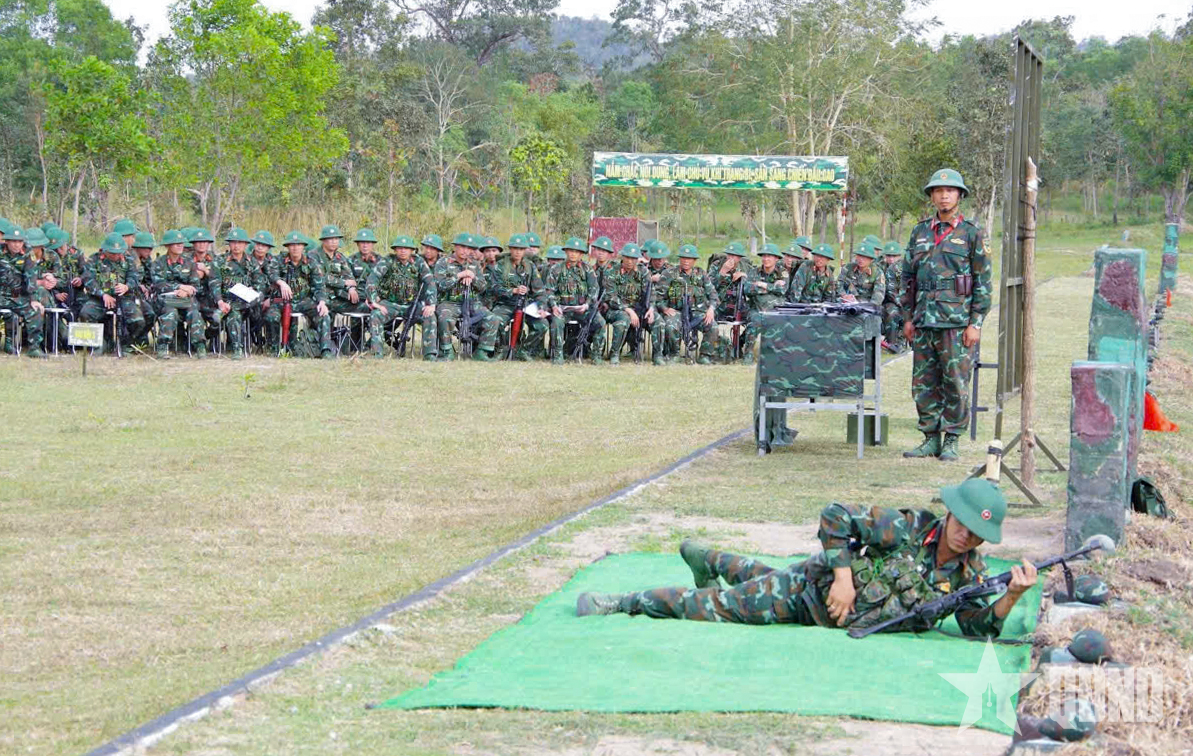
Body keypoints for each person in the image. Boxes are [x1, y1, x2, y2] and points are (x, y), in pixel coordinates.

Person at [575, 479, 1037, 639]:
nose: (964, 536)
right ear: (951, 512)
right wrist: (843, 580)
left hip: (819, 602)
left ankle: (708, 557)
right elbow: (835, 515)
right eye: (961, 523)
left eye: (976, 533)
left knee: (758, 578)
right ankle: (623, 601)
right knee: (718, 607)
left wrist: (1011, 597)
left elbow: (975, 626)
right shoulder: (904, 527)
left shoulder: (970, 574)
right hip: (808, 593)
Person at [901, 169, 992, 462]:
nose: (944, 195)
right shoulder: (920, 232)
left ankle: (952, 439)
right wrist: (907, 318)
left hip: (956, 323)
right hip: (925, 320)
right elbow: (907, 277)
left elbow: (983, 282)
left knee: (955, 382)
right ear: (931, 196)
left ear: (959, 196)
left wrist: (975, 323)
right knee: (923, 383)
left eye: (950, 191)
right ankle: (930, 438)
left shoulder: (971, 234)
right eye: (938, 191)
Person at [367, 235, 438, 359]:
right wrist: (374, 301)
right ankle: (377, 353)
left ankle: (430, 354)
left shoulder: (419, 262)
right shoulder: (388, 260)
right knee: (376, 315)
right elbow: (373, 279)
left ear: (412, 250)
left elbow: (430, 282)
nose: (403, 251)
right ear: (395, 250)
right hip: (390, 303)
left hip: (412, 305)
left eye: (406, 248)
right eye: (399, 248)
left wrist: (431, 304)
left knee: (430, 315)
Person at [265, 231, 332, 357]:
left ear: (303, 247)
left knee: (324, 315)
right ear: (287, 247)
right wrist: (281, 283)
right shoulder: (279, 260)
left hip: (303, 300)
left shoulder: (311, 262)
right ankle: (274, 348)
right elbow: (271, 272)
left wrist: (322, 302)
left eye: (298, 245)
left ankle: (325, 350)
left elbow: (319, 285)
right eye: (291, 245)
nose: (295, 248)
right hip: (281, 300)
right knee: (271, 317)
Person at [433, 233, 499, 361]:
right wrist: (459, 275)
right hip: (449, 302)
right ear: (455, 247)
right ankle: (447, 351)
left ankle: (482, 352)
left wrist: (473, 277)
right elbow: (440, 285)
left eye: (469, 248)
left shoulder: (474, 264)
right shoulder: (443, 262)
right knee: (444, 317)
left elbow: (483, 287)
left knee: (493, 319)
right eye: (462, 247)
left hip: (472, 302)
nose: (465, 251)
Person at [80, 232, 146, 354]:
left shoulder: (129, 261)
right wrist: (102, 294)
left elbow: (135, 278)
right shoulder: (94, 260)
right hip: (99, 299)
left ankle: (126, 344)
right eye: (112, 253)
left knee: (138, 320)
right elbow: (88, 280)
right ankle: (99, 344)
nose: (116, 256)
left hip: (124, 298)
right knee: (85, 313)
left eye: (118, 253)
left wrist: (126, 286)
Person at [654, 243, 718, 364]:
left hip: (698, 312)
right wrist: (664, 308)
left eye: (689, 258)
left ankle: (705, 355)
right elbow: (657, 296)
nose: (686, 261)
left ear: (694, 260)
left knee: (713, 326)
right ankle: (674, 353)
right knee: (670, 325)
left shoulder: (701, 274)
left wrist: (711, 309)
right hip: (676, 311)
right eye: (683, 258)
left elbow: (713, 295)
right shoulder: (669, 274)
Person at [487, 233, 547, 361]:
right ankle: (501, 349)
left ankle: (523, 350)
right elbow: (494, 288)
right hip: (505, 304)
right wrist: (513, 290)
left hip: (525, 305)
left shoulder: (530, 266)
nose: (518, 252)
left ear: (525, 250)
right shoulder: (500, 265)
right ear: (510, 249)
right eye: (515, 248)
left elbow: (540, 290)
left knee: (542, 325)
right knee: (495, 320)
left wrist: (541, 307)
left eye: (521, 249)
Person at [545, 238, 603, 364]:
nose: (573, 254)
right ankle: (558, 355)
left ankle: (596, 355)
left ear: (581, 254)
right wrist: (554, 306)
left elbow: (594, 290)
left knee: (600, 323)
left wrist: (587, 304)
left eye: (576, 252)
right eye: (570, 251)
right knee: (556, 323)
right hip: (562, 308)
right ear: (566, 252)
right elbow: (549, 290)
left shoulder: (587, 269)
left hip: (582, 309)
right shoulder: (556, 269)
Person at [151, 229, 206, 358]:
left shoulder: (189, 263)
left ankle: (199, 345)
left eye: (181, 243)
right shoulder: (158, 263)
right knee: (171, 312)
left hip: (185, 299)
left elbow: (196, 285)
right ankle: (163, 346)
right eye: (176, 243)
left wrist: (186, 292)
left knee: (194, 311)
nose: (180, 246)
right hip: (165, 300)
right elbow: (159, 285)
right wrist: (179, 287)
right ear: (168, 246)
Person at [602, 243, 654, 365]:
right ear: (622, 257)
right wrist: (629, 311)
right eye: (628, 257)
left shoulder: (644, 272)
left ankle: (659, 355)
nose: (630, 261)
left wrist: (651, 309)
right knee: (623, 319)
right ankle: (615, 353)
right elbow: (611, 297)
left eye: (633, 258)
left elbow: (651, 293)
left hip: (639, 309)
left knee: (658, 320)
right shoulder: (612, 272)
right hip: (615, 310)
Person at [215, 228, 262, 359]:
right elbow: (214, 283)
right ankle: (237, 349)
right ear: (229, 244)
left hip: (248, 304)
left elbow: (260, 283)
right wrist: (220, 301)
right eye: (233, 242)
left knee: (256, 304)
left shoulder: (252, 262)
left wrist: (254, 289)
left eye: (240, 243)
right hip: (226, 303)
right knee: (233, 314)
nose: (236, 246)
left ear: (246, 245)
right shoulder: (220, 261)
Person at [740, 243, 787, 361]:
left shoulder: (783, 273)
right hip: (756, 309)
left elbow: (782, 290)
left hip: (776, 311)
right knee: (755, 321)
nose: (766, 259)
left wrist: (762, 285)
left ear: (776, 258)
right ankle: (748, 354)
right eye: (764, 256)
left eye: (769, 256)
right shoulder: (754, 272)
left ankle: (776, 355)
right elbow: (747, 289)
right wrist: (771, 288)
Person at [709, 242, 751, 363]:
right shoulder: (716, 265)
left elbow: (754, 283)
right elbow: (709, 286)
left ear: (740, 257)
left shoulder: (746, 266)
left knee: (755, 318)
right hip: (719, 304)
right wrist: (722, 272)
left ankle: (739, 344)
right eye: (729, 255)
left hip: (740, 305)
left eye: (735, 256)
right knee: (707, 319)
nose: (731, 258)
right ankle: (716, 348)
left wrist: (744, 275)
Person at [837, 240, 886, 305]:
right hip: (847, 302)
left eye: (865, 257)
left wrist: (870, 306)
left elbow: (878, 294)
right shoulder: (848, 268)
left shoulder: (877, 273)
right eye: (859, 256)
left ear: (871, 259)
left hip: (866, 304)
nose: (861, 260)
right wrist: (844, 295)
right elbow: (838, 283)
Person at [879, 240, 905, 352]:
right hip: (888, 300)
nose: (891, 259)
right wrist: (901, 303)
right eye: (889, 256)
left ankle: (902, 341)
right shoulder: (879, 266)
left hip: (904, 300)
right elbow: (891, 291)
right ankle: (892, 344)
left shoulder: (905, 267)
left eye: (894, 256)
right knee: (892, 313)